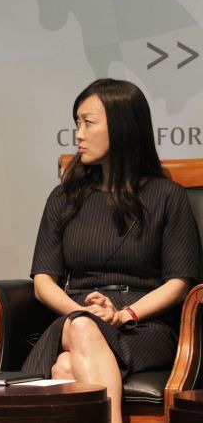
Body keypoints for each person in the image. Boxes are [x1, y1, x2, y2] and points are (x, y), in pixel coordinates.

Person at [21, 78, 201, 423]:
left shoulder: (167, 196)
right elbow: (43, 282)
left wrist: (124, 315)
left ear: (122, 127)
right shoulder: (64, 198)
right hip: (74, 314)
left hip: (144, 324)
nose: (78, 134)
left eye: (88, 123)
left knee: (66, 366)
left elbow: (179, 283)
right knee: (81, 329)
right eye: (77, 123)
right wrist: (82, 314)